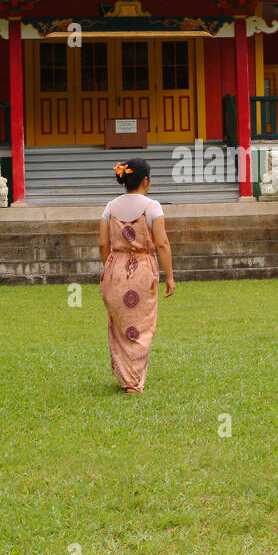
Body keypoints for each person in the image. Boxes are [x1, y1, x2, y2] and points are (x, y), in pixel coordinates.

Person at [99, 158, 174, 394]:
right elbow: (162, 243)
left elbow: (103, 244)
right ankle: (134, 380)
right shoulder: (152, 207)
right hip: (142, 268)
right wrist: (170, 275)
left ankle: (126, 377)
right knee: (142, 324)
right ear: (146, 180)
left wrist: (111, 267)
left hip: (116, 268)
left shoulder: (110, 207)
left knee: (121, 324)